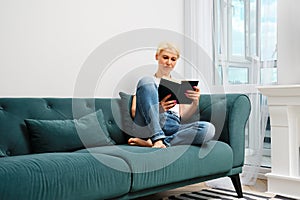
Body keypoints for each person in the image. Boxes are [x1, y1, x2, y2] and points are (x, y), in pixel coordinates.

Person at [128, 42, 215, 148]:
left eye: (173, 59)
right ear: (157, 57)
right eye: (165, 57)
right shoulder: (147, 83)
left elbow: (183, 116)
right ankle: (157, 137)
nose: (169, 62)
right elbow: (134, 111)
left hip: (173, 125)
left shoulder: (180, 85)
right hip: (149, 124)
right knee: (145, 80)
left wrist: (195, 102)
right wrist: (158, 109)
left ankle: (159, 142)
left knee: (208, 129)